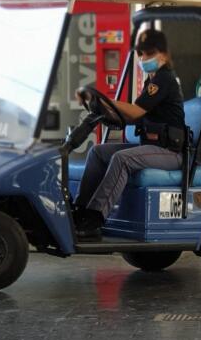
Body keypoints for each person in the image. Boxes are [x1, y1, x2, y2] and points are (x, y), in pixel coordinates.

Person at [72, 29, 186, 240]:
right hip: (151, 147)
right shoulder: (151, 82)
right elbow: (133, 118)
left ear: (163, 54)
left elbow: (135, 111)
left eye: (148, 53)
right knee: (98, 152)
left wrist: (105, 100)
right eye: (141, 54)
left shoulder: (164, 79)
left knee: (122, 159)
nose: (143, 58)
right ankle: (80, 211)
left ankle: (95, 218)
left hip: (169, 152)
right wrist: (105, 111)